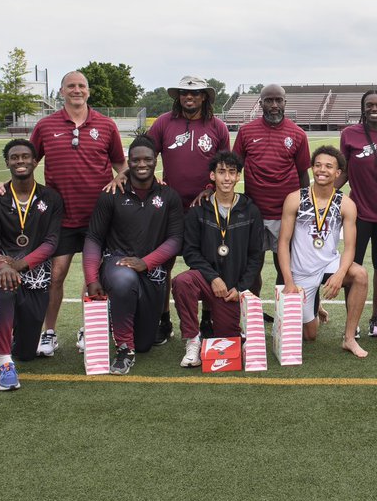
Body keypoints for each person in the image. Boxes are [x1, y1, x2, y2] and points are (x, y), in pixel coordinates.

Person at [27, 71, 125, 356]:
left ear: (89, 91)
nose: (77, 90)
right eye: (71, 86)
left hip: (98, 217)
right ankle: (49, 332)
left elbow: (121, 164)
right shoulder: (46, 126)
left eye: (82, 86)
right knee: (56, 275)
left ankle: (87, 328)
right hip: (62, 217)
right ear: (62, 91)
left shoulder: (106, 125)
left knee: (92, 276)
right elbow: (28, 162)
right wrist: (8, 186)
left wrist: (120, 179)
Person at [135, 74, 232, 342]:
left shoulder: (218, 127)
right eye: (185, 93)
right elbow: (144, 153)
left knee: (209, 264)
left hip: (206, 208)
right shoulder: (164, 122)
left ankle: (208, 319)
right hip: (169, 207)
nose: (189, 97)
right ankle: (163, 320)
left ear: (204, 97)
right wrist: (148, 180)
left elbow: (225, 165)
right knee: (162, 265)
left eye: (196, 93)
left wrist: (210, 188)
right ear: (178, 96)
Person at [83, 137, 184, 374]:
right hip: (118, 262)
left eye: (147, 159)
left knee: (144, 344)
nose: (142, 164)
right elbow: (93, 238)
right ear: (128, 162)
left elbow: (175, 240)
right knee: (123, 279)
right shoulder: (111, 193)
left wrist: (146, 262)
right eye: (136, 160)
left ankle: (125, 329)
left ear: (156, 160)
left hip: (152, 272)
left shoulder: (169, 196)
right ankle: (124, 349)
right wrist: (91, 278)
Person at [0, 139, 64, 390]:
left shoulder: (51, 198)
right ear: (7, 162)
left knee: (26, 353)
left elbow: (51, 242)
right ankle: (4, 363)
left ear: (35, 161)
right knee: (5, 285)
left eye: (25, 156)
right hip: (2, 271)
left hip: (35, 273)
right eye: (14, 157)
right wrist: (3, 266)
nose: (20, 161)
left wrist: (21, 264)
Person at [172, 151, 265, 367]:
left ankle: (226, 327)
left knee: (228, 338)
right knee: (182, 281)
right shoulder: (198, 211)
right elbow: (190, 252)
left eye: (232, 172)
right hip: (207, 280)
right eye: (221, 172)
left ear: (238, 176)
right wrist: (213, 278)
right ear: (212, 176)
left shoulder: (250, 211)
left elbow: (256, 256)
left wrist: (240, 288)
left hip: (231, 289)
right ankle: (193, 340)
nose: (227, 178)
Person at [279, 146, 369, 358]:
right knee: (310, 336)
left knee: (361, 275)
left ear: (338, 173)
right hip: (302, 271)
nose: (322, 170)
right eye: (318, 165)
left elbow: (350, 247)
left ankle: (349, 338)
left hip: (329, 263)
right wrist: (289, 281)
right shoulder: (295, 199)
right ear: (312, 168)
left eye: (329, 166)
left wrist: (340, 274)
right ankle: (315, 305)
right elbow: (283, 242)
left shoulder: (346, 204)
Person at [232, 84, 311, 295]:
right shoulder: (246, 131)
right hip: (254, 213)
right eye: (269, 100)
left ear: (285, 102)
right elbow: (233, 168)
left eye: (278, 100)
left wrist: (305, 207)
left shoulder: (298, 134)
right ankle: (253, 312)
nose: (274, 105)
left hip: (285, 214)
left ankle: (282, 312)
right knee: (252, 268)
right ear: (261, 103)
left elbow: (303, 174)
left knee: (284, 268)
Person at [337, 89, 377, 338]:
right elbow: (344, 172)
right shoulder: (349, 134)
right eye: (369, 105)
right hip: (358, 213)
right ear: (363, 109)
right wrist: (323, 195)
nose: (374, 109)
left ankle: (376, 317)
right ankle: (351, 322)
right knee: (352, 267)